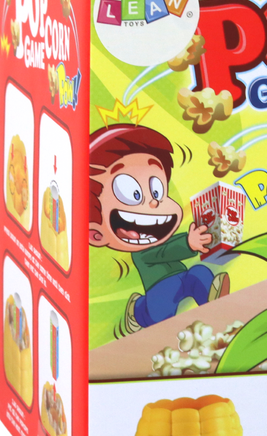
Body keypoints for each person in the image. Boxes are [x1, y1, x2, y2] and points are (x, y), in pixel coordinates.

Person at [88, 124, 229, 333]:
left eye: (157, 190)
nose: (154, 203)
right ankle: (137, 311)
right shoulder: (141, 253)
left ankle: (212, 299)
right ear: (97, 234)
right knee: (160, 313)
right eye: (133, 194)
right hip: (160, 288)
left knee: (198, 273)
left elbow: (169, 244)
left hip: (183, 276)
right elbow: (162, 252)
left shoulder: (159, 233)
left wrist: (195, 238)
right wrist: (188, 243)